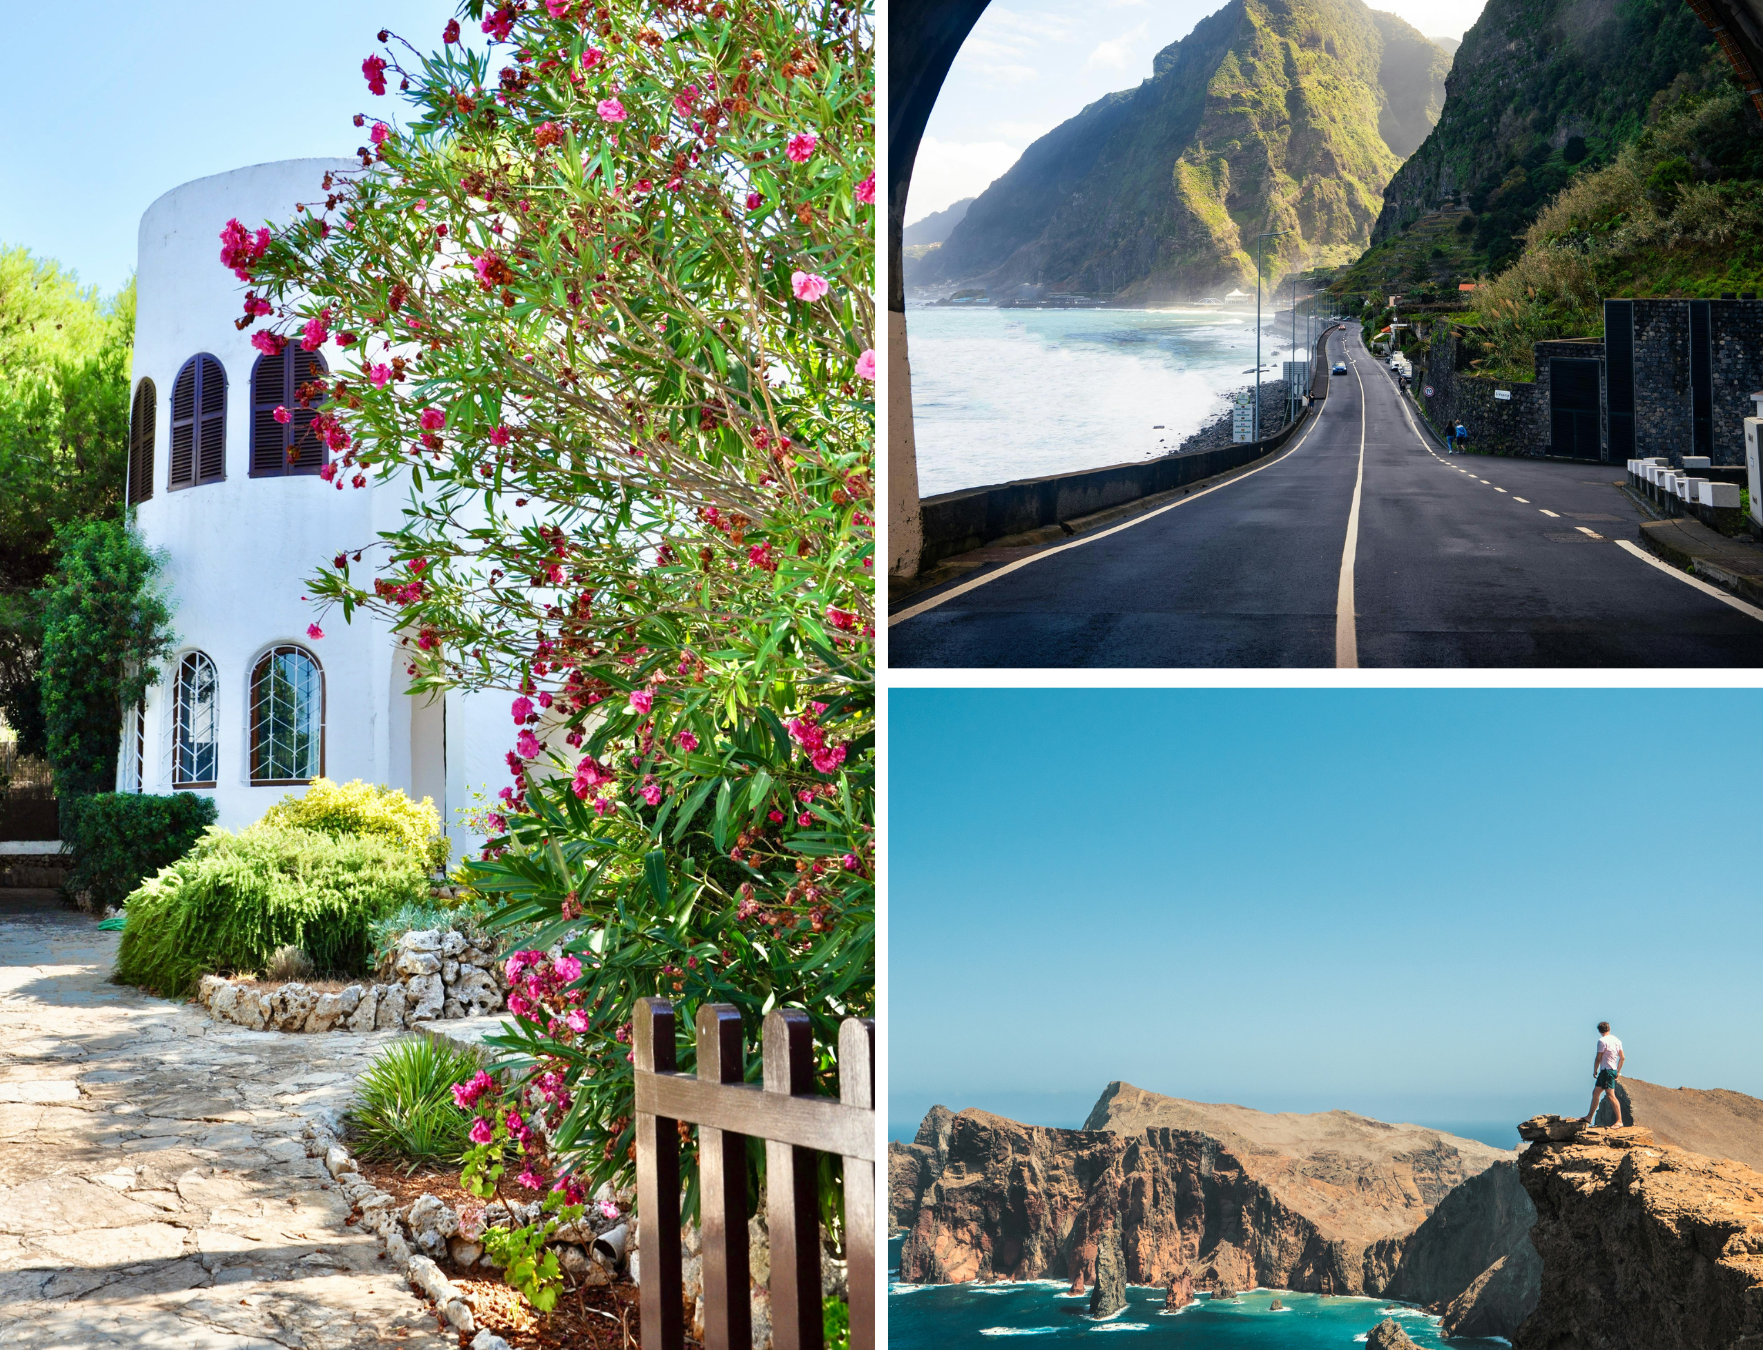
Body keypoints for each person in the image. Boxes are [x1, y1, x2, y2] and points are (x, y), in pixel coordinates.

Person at [1584, 1021, 1625, 1124]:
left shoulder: (1602, 1041)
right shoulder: (1617, 1040)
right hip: (1608, 1071)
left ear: (1599, 1031)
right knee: (1596, 1092)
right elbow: (1622, 1057)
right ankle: (1589, 1117)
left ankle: (1619, 1121)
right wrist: (1618, 1071)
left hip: (1607, 1071)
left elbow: (1598, 1058)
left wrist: (1595, 1070)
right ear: (1609, 1029)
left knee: (1610, 1095)